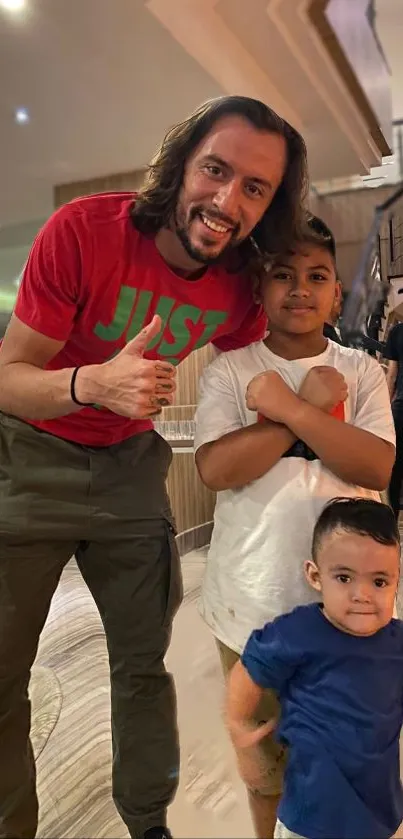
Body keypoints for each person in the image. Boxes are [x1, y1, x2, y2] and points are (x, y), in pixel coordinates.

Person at [0, 95, 308, 839]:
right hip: (31, 462)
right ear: (180, 165)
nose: (226, 201)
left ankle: (148, 826)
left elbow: (262, 370)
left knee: (143, 668)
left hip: (128, 474)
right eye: (215, 169)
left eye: (254, 188)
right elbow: (7, 375)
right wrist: (90, 382)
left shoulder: (239, 284)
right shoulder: (82, 230)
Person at [194, 216, 395, 838]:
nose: (300, 289)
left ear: (337, 292)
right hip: (249, 605)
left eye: (317, 276)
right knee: (263, 764)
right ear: (259, 287)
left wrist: (286, 407)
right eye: (282, 275)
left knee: (345, 754)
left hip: (348, 607)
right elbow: (217, 468)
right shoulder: (229, 371)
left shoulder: (359, 372)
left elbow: (375, 462)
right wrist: (300, 408)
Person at [226, 497, 403, 839]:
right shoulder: (297, 633)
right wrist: (238, 722)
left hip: (381, 813)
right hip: (310, 815)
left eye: (379, 582)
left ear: (396, 582)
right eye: (344, 577)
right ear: (315, 575)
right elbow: (248, 669)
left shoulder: (397, 643)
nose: (362, 594)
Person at [384, 320, 403, 519]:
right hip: (400, 406)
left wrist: (387, 409)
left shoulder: (397, 331)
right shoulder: (397, 331)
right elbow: (391, 375)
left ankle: (393, 518)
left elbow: (392, 375)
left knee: (396, 466)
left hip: (400, 406)